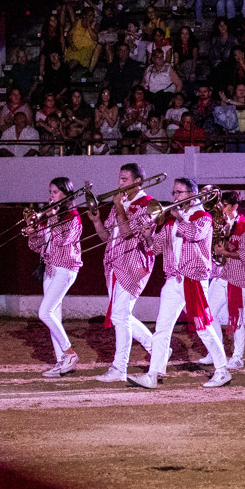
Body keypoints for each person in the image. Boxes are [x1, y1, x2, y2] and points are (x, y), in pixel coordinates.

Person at [128, 179, 231, 389]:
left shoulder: (203, 217)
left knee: (203, 327)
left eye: (179, 192)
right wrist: (148, 237)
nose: (174, 196)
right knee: (162, 328)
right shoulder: (169, 221)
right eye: (173, 192)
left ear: (191, 194)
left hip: (193, 279)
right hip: (173, 280)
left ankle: (222, 370)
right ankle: (153, 374)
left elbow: (194, 234)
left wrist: (178, 218)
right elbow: (156, 248)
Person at [86, 164, 156, 383]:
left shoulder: (147, 204)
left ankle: (120, 367)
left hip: (134, 264)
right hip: (115, 263)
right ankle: (157, 348)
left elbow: (126, 234)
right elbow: (107, 237)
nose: (119, 184)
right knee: (122, 315)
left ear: (137, 182)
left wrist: (118, 207)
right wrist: (96, 221)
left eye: (124, 180)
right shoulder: (122, 202)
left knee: (119, 315)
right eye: (119, 179)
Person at [27, 178, 83, 378]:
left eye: (55, 192)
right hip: (50, 268)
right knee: (53, 316)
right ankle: (62, 361)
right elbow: (36, 246)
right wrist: (33, 232)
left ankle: (69, 353)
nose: (51, 196)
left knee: (44, 312)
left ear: (65, 195)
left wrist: (52, 219)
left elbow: (62, 240)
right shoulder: (48, 217)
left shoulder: (72, 217)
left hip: (65, 268)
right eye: (50, 192)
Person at [202, 191, 245, 371]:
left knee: (236, 318)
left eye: (224, 206)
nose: (221, 209)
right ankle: (216, 352)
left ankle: (238, 358)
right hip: (221, 275)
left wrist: (223, 252)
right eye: (220, 206)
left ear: (234, 207)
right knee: (208, 314)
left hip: (238, 279)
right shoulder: (222, 225)